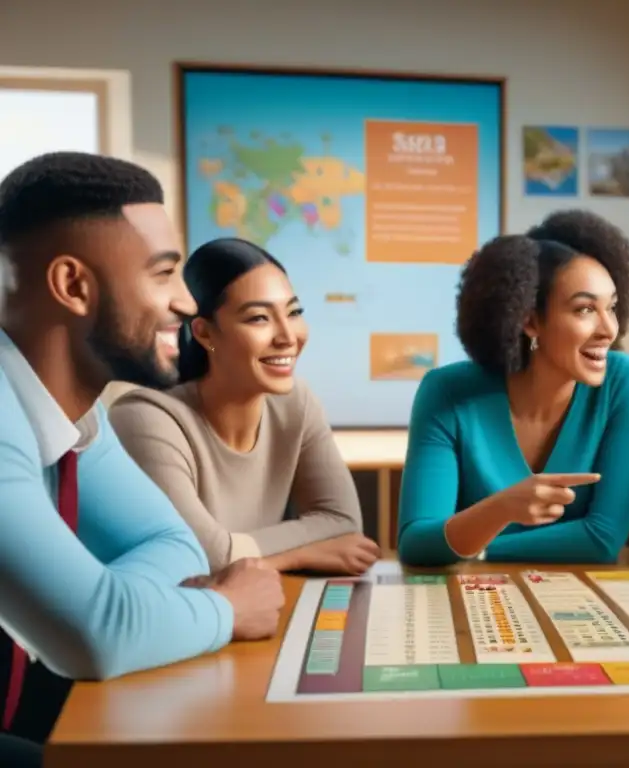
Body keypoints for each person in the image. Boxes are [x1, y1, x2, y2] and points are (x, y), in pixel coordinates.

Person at [0, 152, 283, 757]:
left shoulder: (77, 415)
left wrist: (114, 605)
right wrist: (223, 607)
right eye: (163, 274)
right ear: (74, 286)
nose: (187, 304)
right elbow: (95, 636)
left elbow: (173, 547)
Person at [396, 210, 629, 566]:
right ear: (530, 320)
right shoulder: (447, 392)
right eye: (584, 310)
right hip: (472, 602)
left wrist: (480, 546)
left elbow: (602, 539)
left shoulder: (624, 382)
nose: (608, 329)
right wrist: (501, 508)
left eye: (611, 307)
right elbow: (416, 542)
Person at [108, 238, 378, 575]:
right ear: (205, 334)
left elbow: (342, 524)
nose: (287, 336)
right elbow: (203, 556)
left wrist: (239, 554)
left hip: (248, 609)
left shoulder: (295, 403)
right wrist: (296, 555)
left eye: (294, 312)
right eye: (259, 318)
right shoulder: (145, 418)